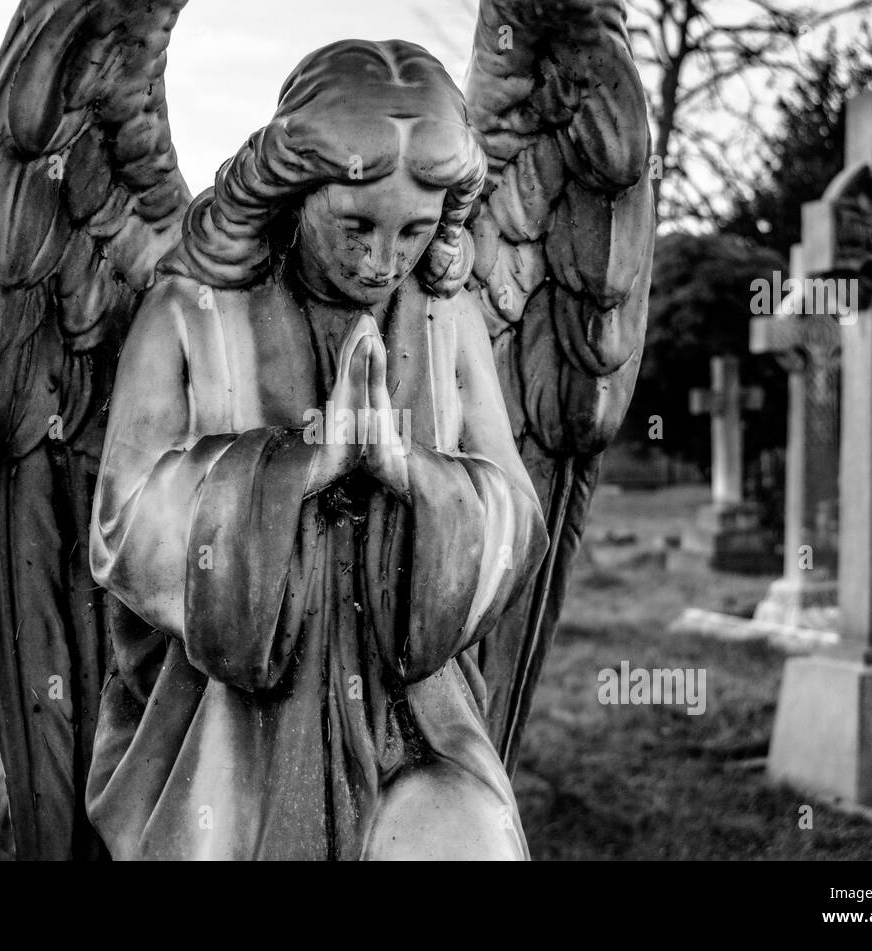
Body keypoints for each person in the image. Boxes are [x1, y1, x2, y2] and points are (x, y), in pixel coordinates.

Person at [86, 38, 547, 860]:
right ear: (293, 193)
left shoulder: (448, 319)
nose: (384, 260)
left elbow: (516, 514)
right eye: (357, 226)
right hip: (222, 728)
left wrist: (414, 477)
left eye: (416, 231)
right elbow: (123, 524)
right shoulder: (188, 314)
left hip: (414, 712)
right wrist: (300, 466)